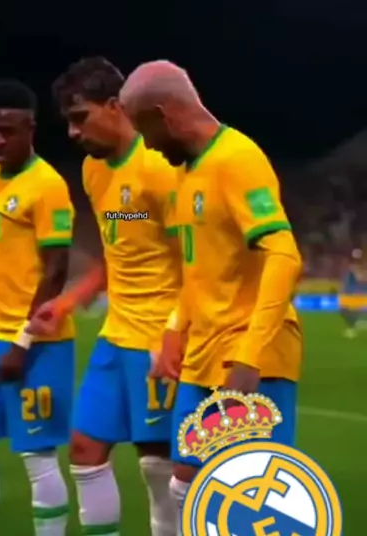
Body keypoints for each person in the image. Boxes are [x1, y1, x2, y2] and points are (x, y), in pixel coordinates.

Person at [119, 60, 303, 533]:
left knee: (252, 501)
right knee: (185, 487)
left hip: (249, 353)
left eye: (145, 131)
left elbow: (284, 255)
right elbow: (198, 268)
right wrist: (174, 329)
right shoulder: (184, 174)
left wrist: (249, 354)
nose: (147, 147)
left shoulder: (238, 159)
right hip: (201, 356)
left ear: (164, 115)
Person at [28, 57, 182, 536]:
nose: (73, 133)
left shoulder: (159, 167)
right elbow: (116, 256)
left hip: (157, 338)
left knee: (157, 464)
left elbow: (195, 262)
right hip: (116, 334)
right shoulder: (95, 171)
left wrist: (177, 330)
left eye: (81, 117)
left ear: (115, 106)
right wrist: (67, 302)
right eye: (68, 122)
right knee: (84, 449)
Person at [0, 80, 75, 536]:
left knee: (37, 455)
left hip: (39, 344)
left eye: (8, 130)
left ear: (31, 129)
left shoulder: (47, 186)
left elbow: (57, 269)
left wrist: (23, 342)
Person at [339, 248, 367, 339]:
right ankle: (354, 325)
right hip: (349, 293)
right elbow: (346, 281)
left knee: (355, 310)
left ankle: (352, 328)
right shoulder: (350, 268)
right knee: (344, 310)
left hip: (359, 293)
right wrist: (342, 290)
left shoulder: (360, 268)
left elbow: (361, 279)